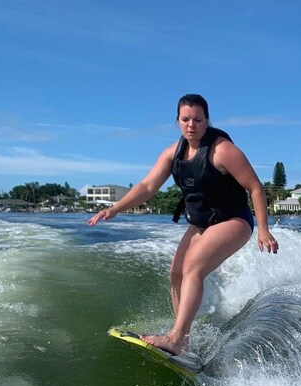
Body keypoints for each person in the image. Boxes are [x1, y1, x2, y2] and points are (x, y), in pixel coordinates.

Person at [88, 94, 278, 356]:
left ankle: (176, 337)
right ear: (177, 121)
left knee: (192, 267)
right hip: (202, 223)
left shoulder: (222, 150)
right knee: (176, 272)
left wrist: (264, 229)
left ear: (207, 121)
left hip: (234, 220)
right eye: (185, 119)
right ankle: (183, 338)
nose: (191, 125)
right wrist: (114, 208)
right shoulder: (172, 154)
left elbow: (255, 187)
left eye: (198, 120)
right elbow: (147, 187)